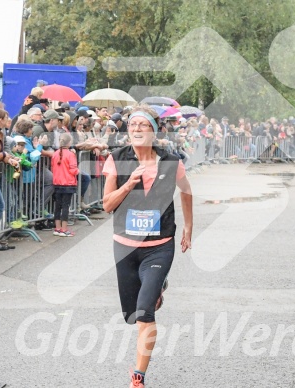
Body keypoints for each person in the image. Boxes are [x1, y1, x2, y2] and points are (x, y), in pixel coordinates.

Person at [102, 104, 193, 388]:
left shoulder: (171, 161)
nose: (137, 129)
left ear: (154, 131)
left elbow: (187, 190)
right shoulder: (116, 159)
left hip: (159, 245)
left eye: (143, 125)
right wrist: (128, 184)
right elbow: (107, 205)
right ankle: (156, 290)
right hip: (125, 246)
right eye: (133, 125)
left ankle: (138, 378)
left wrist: (189, 226)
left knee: (144, 314)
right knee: (131, 315)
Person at [51, 133, 79, 237]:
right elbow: (73, 170)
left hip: (57, 182)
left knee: (58, 206)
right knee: (65, 206)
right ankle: (64, 229)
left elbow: (53, 167)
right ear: (69, 142)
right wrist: (78, 171)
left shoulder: (55, 153)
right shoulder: (71, 154)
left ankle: (57, 228)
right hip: (68, 183)